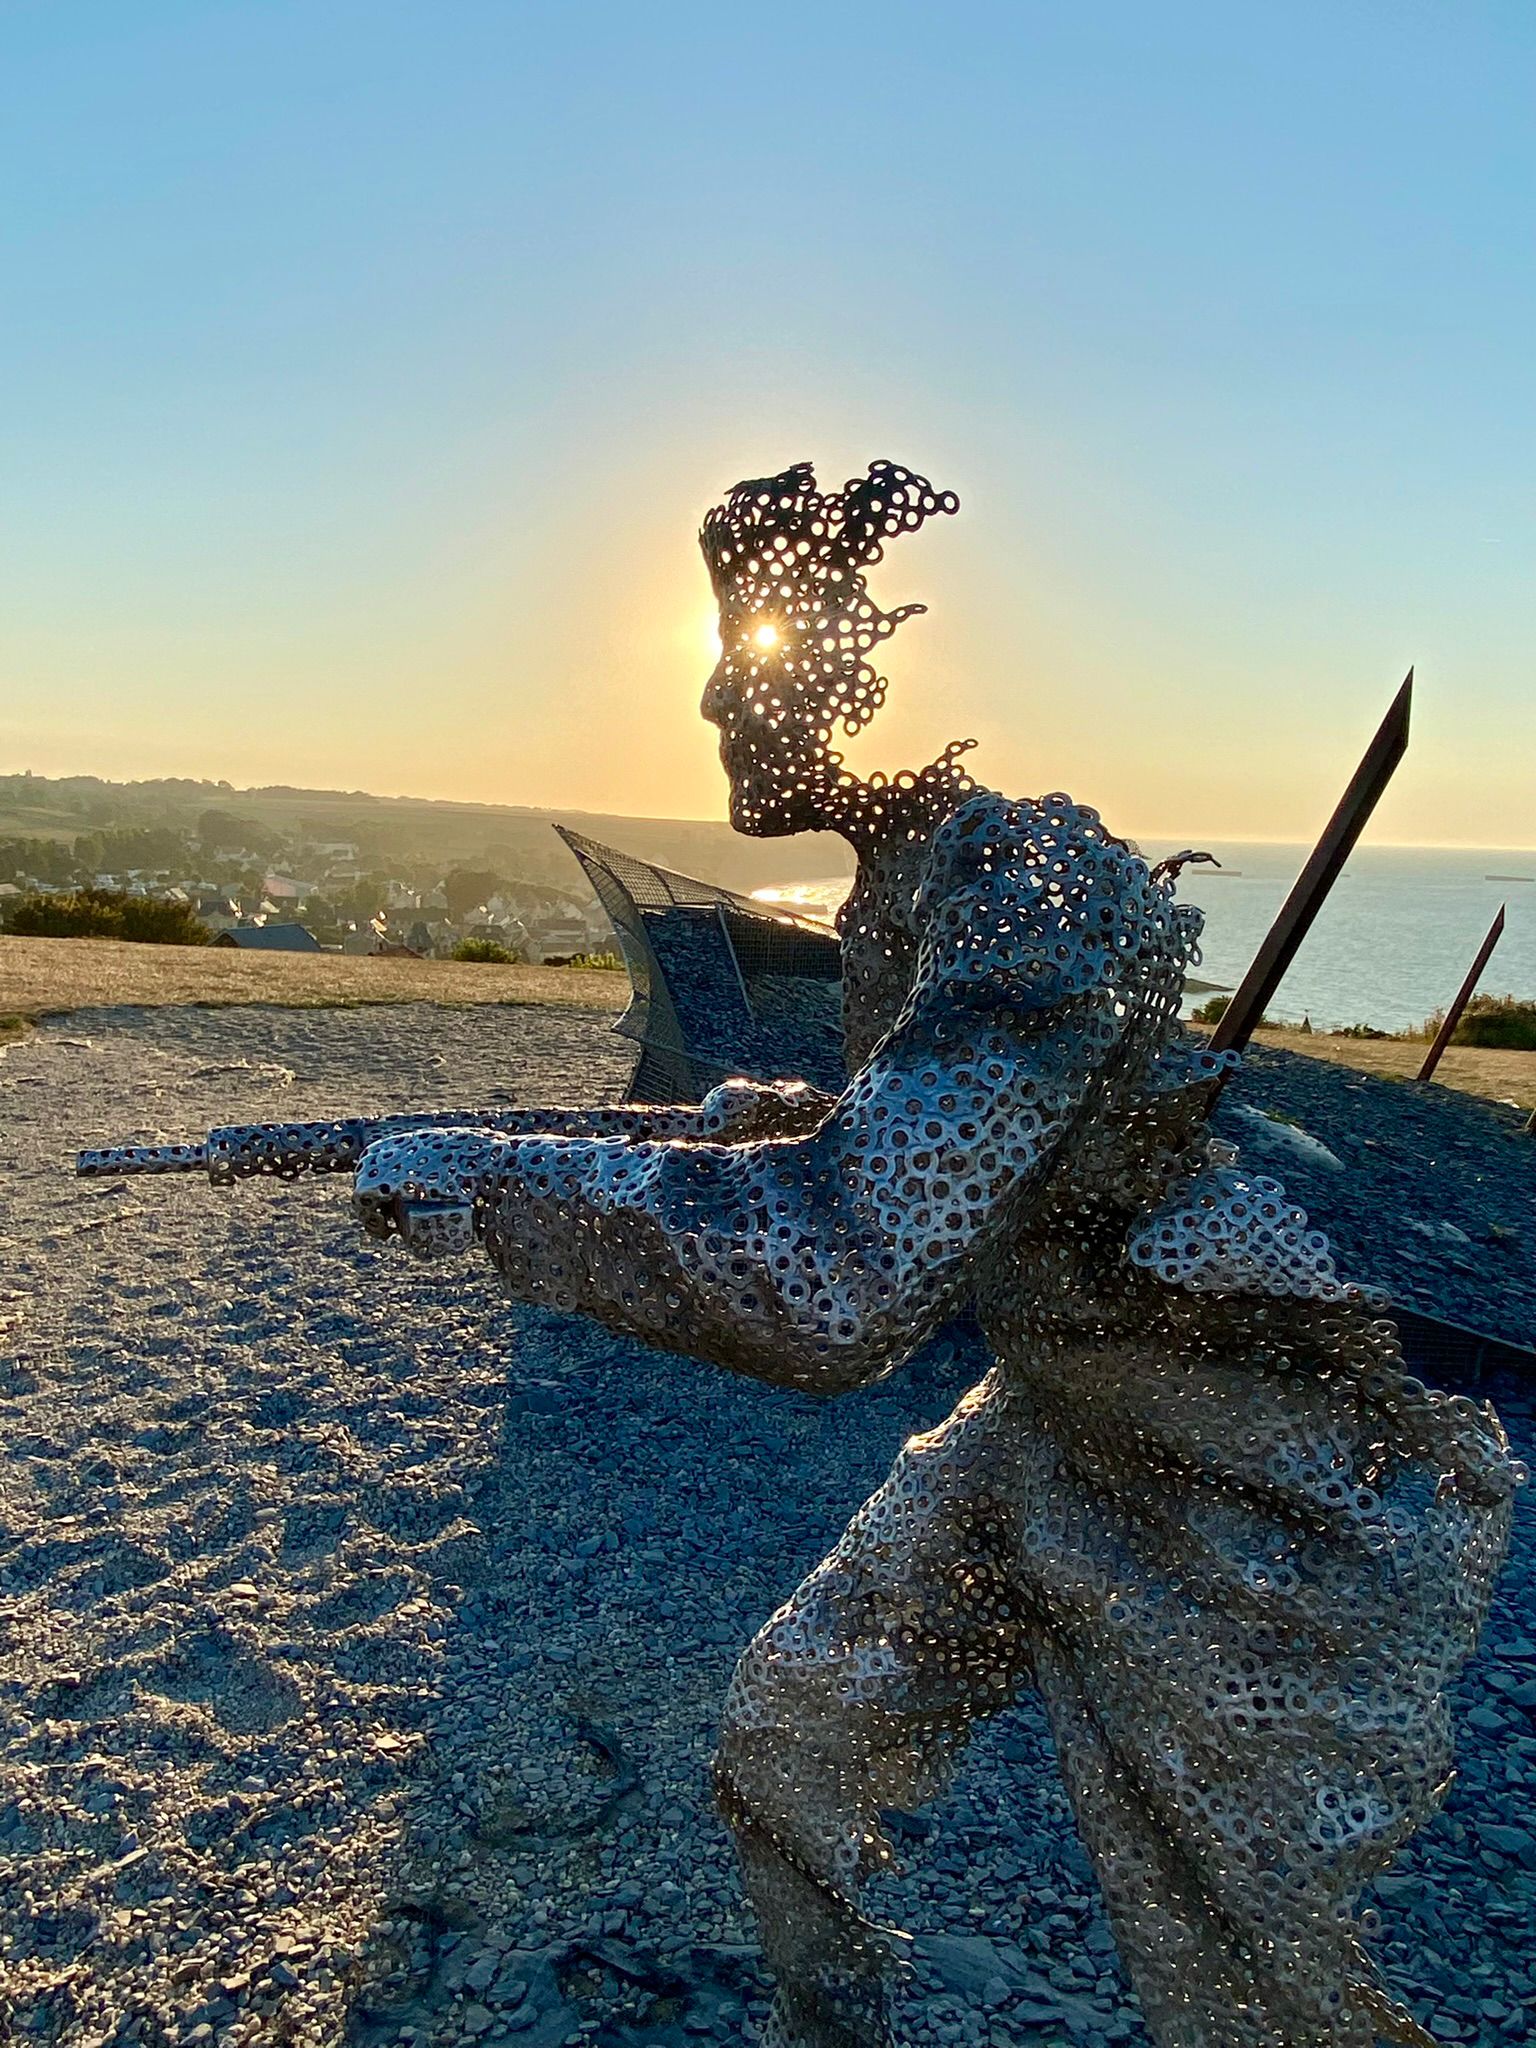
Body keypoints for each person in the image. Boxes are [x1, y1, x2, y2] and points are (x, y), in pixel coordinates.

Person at [348, 463, 1521, 2048]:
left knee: (1243, 1976)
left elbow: (846, 1269)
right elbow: (899, 1132)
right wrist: (690, 1130)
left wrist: (499, 1187)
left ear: (855, 675)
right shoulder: (906, 891)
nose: (711, 692)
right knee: (794, 1741)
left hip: (1256, 1483)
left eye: (755, 650)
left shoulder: (1026, 887)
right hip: (1051, 1424)